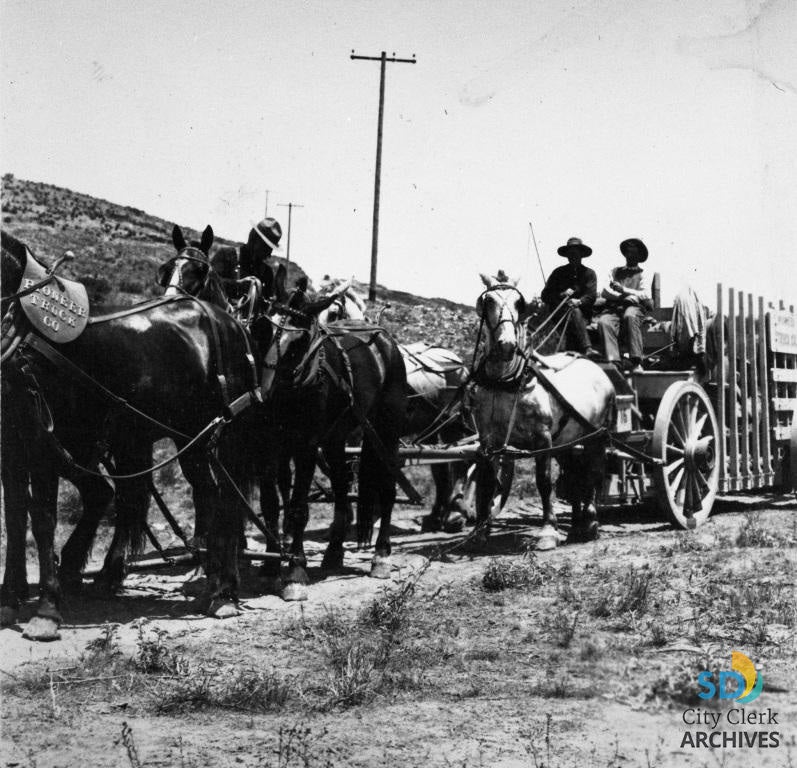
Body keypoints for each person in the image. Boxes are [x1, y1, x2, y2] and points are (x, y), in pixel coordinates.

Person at [596, 238, 653, 373]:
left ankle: (635, 361)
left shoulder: (643, 273)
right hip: (615, 308)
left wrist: (624, 290)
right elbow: (605, 290)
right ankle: (614, 362)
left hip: (635, 308)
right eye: (628, 252)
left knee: (630, 316)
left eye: (634, 253)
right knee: (604, 322)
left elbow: (644, 295)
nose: (630, 256)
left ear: (639, 256)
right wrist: (624, 297)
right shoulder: (615, 271)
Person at [540, 237, 598, 356]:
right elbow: (545, 295)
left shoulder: (589, 273)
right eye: (570, 254)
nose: (573, 256)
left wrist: (579, 301)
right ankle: (587, 348)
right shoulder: (558, 272)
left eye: (576, 253)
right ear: (566, 256)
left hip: (584, 315)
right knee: (573, 311)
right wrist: (561, 294)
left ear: (582, 255)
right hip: (560, 315)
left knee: (575, 310)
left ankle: (585, 349)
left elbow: (591, 296)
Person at [210, 217, 282, 299]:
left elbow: (267, 303)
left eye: (271, 248)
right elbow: (210, 283)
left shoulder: (267, 273)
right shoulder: (226, 255)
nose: (269, 254)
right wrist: (237, 284)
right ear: (254, 239)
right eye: (266, 247)